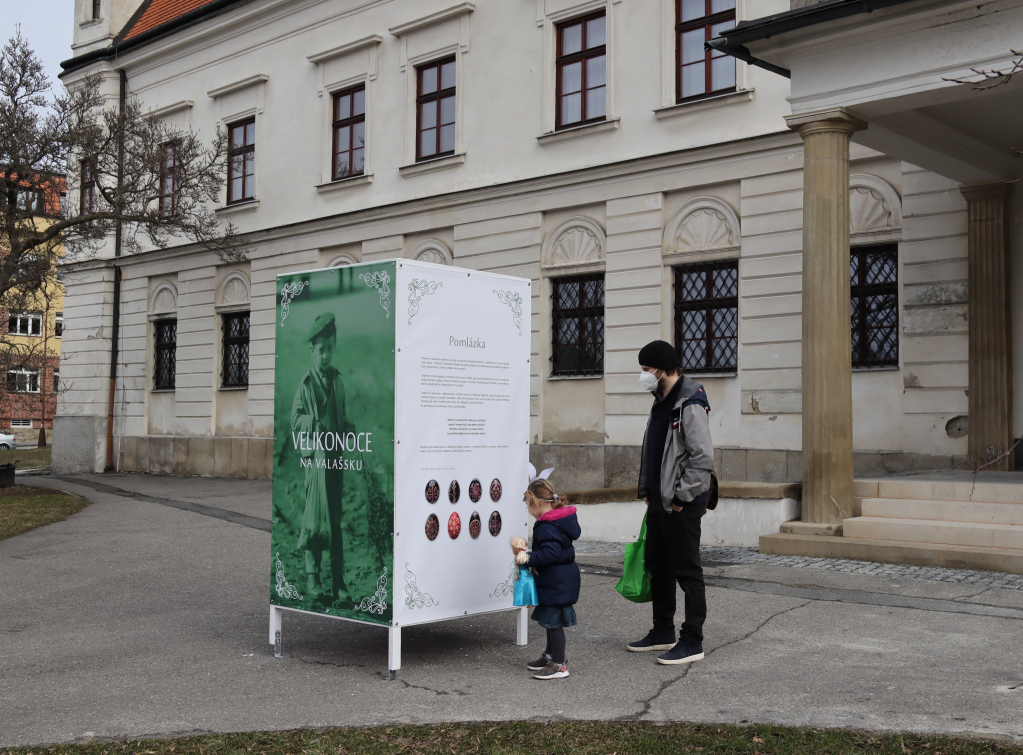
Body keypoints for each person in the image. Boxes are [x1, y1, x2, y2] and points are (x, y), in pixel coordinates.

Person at [628, 339, 714, 665]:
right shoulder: (661, 399)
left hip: (681, 504)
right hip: (659, 502)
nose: (644, 375)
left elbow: (702, 457)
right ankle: (662, 630)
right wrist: (650, 491)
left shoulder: (690, 403)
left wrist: (680, 497)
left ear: (663, 369)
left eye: (647, 370)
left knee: (687, 571)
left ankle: (692, 641)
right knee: (659, 567)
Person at [291, 312, 352, 607]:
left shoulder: (338, 383)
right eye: (320, 350)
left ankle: (338, 582)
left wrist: (347, 429)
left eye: (330, 348)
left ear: (335, 345)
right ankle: (313, 578)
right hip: (315, 462)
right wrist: (312, 423)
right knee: (314, 518)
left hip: (335, 462)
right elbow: (295, 420)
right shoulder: (305, 385)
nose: (325, 355)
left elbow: (340, 416)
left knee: (336, 521)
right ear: (311, 351)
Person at [516, 477, 580, 680]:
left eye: (528, 504)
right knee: (550, 621)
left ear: (537, 502)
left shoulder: (547, 525)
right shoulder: (557, 520)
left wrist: (526, 558)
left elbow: (550, 554)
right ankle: (550, 656)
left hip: (556, 581)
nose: (528, 508)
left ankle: (559, 664)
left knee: (554, 623)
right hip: (559, 579)